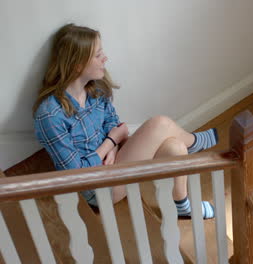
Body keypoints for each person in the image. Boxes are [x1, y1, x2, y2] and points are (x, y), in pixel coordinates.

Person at [33, 23, 218, 219]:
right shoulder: (50, 115)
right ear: (77, 64)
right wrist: (110, 142)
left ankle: (182, 205)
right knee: (159, 124)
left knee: (176, 147)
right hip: (98, 188)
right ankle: (196, 142)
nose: (105, 58)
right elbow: (76, 175)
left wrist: (113, 147)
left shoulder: (95, 88)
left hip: (115, 160)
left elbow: (113, 123)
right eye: (98, 55)